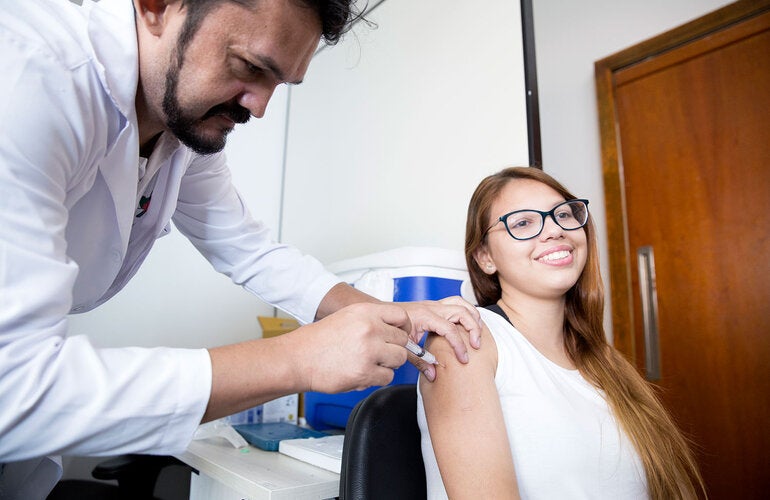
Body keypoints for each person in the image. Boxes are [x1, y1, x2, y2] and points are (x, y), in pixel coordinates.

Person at [0, 0, 482, 496]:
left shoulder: (180, 130)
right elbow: (11, 386)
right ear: (157, 8)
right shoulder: (26, 77)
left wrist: (392, 314)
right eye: (250, 67)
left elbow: (246, 246)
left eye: (278, 83)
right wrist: (296, 360)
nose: (259, 106)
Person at [417, 166, 704, 499]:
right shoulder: (466, 341)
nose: (554, 230)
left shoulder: (606, 361)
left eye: (564, 215)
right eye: (523, 222)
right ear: (485, 257)